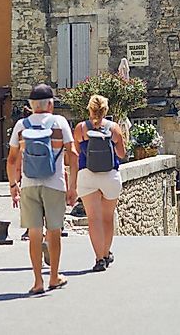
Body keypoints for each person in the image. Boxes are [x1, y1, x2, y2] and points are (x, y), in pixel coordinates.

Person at [6, 84, 77, 295]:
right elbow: (72, 154)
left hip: (29, 184)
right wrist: (73, 187)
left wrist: (13, 186)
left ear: (31, 105)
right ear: (51, 104)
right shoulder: (59, 122)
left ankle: (37, 281)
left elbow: (11, 160)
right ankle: (54, 277)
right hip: (54, 184)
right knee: (54, 232)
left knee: (34, 233)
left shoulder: (21, 125)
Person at [72, 94, 126, 271]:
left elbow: (75, 153)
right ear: (105, 110)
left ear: (89, 109)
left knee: (93, 219)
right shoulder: (114, 128)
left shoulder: (80, 129)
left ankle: (99, 259)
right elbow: (121, 154)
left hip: (87, 175)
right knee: (107, 218)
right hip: (110, 175)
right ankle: (106, 252)